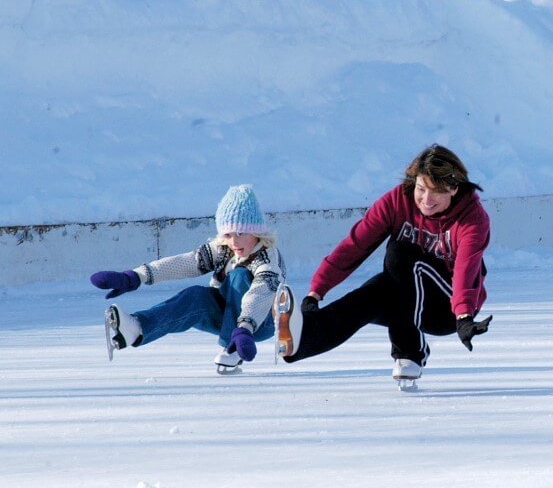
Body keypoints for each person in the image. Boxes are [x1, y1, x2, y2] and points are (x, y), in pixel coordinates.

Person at [274, 144, 492, 389]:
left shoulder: (472, 218)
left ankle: (410, 351)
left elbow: (466, 268)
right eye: (421, 189)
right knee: (368, 297)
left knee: (401, 252)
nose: (426, 200)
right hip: (408, 299)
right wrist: (316, 291)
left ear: (453, 188)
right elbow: (355, 245)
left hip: (447, 307)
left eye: (436, 192)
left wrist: (463, 316)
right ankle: (303, 338)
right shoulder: (398, 200)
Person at [91, 184, 286, 374]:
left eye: (241, 233)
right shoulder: (223, 248)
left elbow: (260, 293)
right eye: (228, 234)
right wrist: (135, 276)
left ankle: (233, 348)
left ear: (256, 231)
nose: (233, 241)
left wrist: (244, 328)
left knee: (239, 275)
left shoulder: (267, 256)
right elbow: (185, 263)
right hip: (228, 316)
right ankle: (137, 328)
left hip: (260, 323)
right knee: (195, 296)